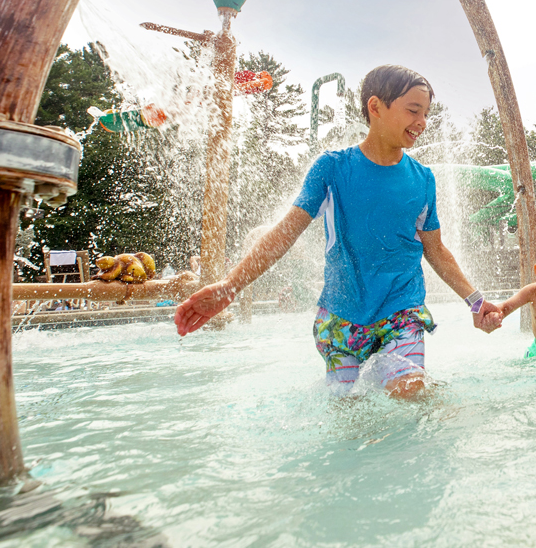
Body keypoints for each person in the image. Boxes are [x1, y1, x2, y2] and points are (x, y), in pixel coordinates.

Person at [173, 65, 502, 398]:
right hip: (341, 320)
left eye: (426, 113)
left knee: (410, 392)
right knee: (347, 411)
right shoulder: (332, 168)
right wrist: (229, 287)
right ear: (375, 107)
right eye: (413, 111)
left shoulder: (422, 179)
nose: (422, 122)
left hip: (402, 313)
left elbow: (436, 250)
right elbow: (285, 233)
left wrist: (475, 302)